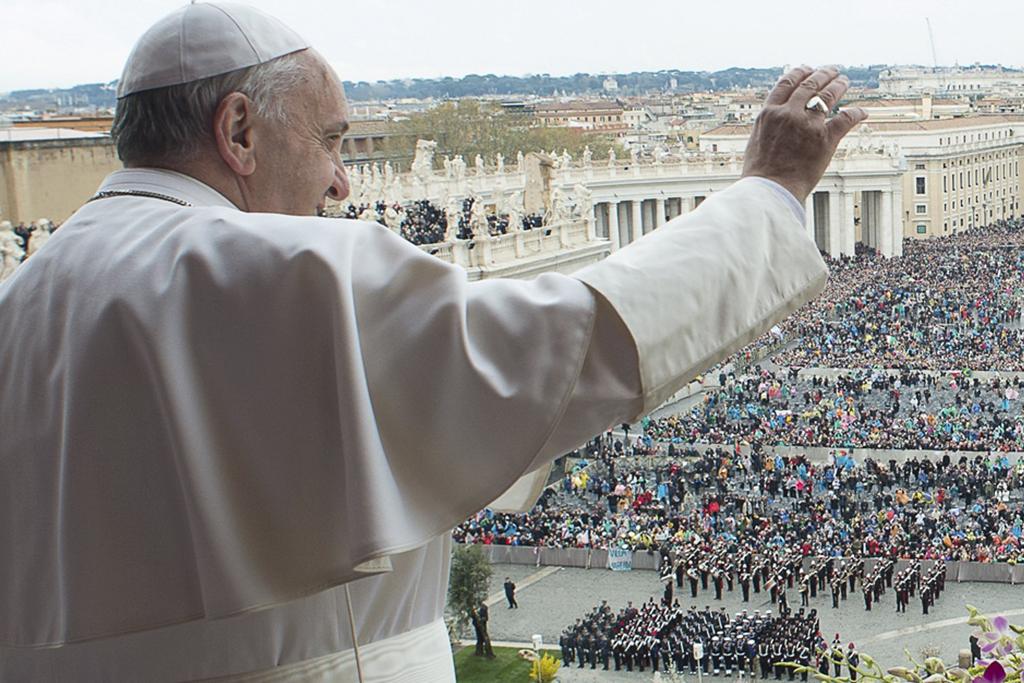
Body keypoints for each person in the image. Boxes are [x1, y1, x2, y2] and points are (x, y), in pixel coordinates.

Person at [0, 3, 865, 682]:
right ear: (238, 132)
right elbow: (561, 347)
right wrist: (769, 191)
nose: (343, 180)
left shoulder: (21, 296)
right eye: (333, 140)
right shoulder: (284, 272)